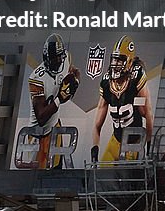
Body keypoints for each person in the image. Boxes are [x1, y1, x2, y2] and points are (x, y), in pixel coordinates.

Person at [21, 33, 80, 169]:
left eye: (60, 56)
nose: (59, 60)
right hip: (38, 134)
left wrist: (75, 83)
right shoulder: (36, 78)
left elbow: (76, 72)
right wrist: (60, 98)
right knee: (37, 176)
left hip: (54, 127)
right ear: (46, 58)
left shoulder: (66, 59)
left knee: (56, 169)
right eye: (55, 58)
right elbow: (41, 117)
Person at [91, 34, 153, 163]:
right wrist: (94, 150)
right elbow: (97, 125)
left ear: (129, 62)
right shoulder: (107, 82)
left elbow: (147, 113)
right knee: (101, 175)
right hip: (116, 140)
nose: (115, 64)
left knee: (126, 179)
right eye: (114, 60)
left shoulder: (136, 76)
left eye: (120, 60)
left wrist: (148, 146)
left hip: (133, 144)